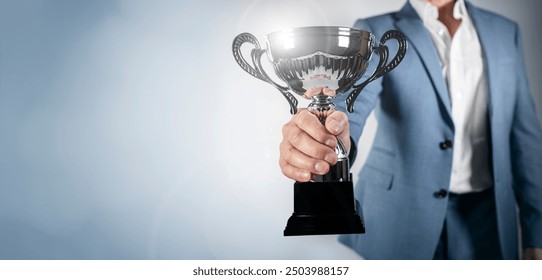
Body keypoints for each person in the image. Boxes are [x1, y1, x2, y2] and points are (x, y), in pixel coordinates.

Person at [279, 0, 542, 259]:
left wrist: (537, 233)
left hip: (487, 219)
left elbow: (525, 138)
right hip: (400, 215)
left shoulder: (506, 31)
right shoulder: (377, 30)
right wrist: (326, 139)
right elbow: (349, 106)